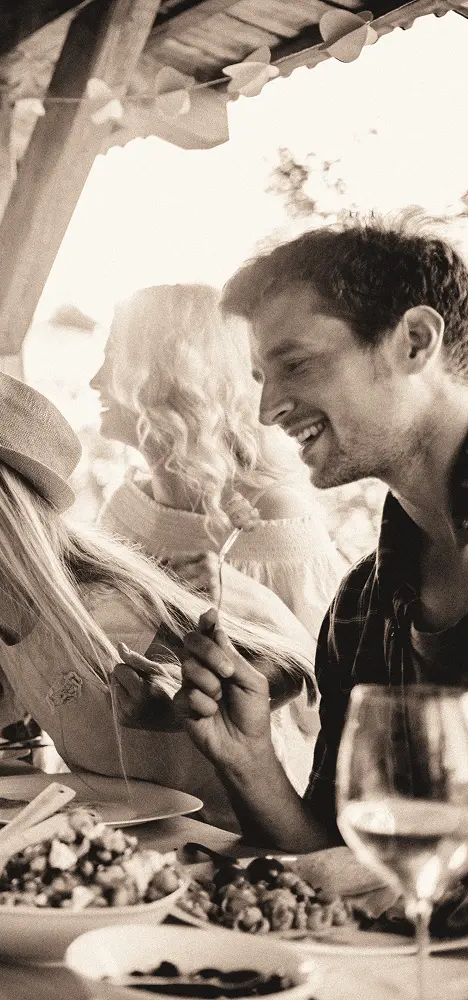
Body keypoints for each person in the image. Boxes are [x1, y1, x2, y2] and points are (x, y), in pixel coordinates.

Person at [0, 366, 319, 832]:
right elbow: (47, 689)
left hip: (213, 844)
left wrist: (179, 705)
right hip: (117, 840)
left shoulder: (103, 607)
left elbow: (290, 671)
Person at [175, 217, 468, 851]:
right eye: (260, 379)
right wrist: (248, 759)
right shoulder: (360, 608)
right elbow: (333, 854)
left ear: (415, 341)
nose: (267, 409)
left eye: (296, 364)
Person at [92, 284, 349, 637]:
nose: (93, 382)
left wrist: (256, 601)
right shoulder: (126, 508)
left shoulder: (276, 517)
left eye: (112, 362)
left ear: (169, 379)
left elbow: (334, 673)